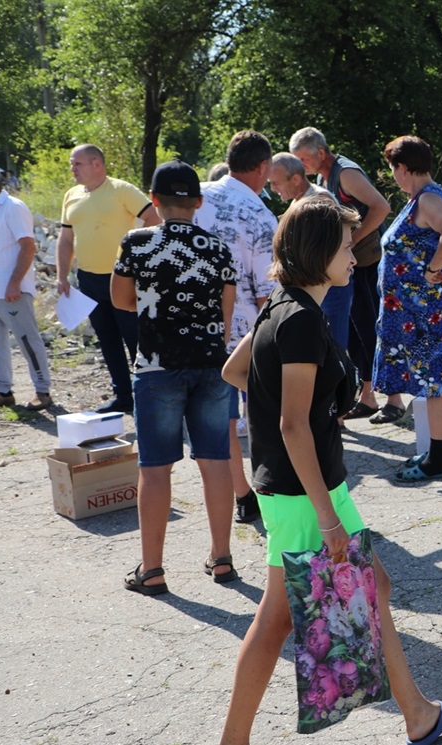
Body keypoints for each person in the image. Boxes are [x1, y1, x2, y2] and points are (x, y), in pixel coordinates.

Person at [207, 196, 442, 745]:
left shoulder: (286, 305)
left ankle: (419, 713)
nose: (355, 255)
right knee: (276, 621)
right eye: (347, 246)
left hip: (301, 488)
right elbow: (293, 424)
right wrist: (327, 519)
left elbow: (233, 371)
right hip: (307, 495)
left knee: (373, 584)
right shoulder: (299, 319)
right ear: (319, 252)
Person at [111, 162, 238, 595]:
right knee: (216, 460)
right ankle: (221, 559)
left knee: (156, 468)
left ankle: (153, 569)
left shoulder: (137, 242)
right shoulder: (219, 248)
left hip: (156, 365)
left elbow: (120, 299)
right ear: (198, 202)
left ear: (155, 199)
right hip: (210, 364)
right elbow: (226, 312)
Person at [195, 130, 278, 525]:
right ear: (263, 167)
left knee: (220, 420)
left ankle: (240, 494)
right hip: (245, 332)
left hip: (193, 325)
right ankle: (266, 490)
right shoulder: (260, 216)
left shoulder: (197, 196)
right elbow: (267, 290)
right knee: (262, 413)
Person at [374, 135, 442, 481]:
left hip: (427, 312)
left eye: (392, 169)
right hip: (419, 311)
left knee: (434, 381)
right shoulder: (422, 198)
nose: (392, 176)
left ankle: (439, 456)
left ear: (402, 167)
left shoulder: (427, 199)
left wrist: (431, 270)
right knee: (433, 381)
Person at [288, 127, 390, 416]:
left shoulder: (345, 173)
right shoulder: (323, 177)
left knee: (369, 327)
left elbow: (381, 207)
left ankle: (382, 395)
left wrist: (351, 242)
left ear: (321, 153)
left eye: (303, 159)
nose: (300, 166)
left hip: (367, 262)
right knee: (355, 330)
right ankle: (365, 393)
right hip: (350, 264)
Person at [57, 144, 162, 413]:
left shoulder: (121, 190)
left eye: (77, 164)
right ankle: (123, 396)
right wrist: (61, 276)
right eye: (72, 164)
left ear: (97, 164)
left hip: (123, 278)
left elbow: (153, 218)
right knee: (107, 338)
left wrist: (138, 257)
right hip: (89, 280)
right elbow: (66, 239)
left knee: (134, 338)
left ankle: (150, 395)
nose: (72, 169)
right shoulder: (71, 195)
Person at [0, 165, 53, 411]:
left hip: (11, 290)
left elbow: (28, 247)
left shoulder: (13, 208)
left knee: (27, 340)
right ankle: (4, 390)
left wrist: (15, 282)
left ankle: (42, 390)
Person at [268, 153, 333, 204]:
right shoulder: (300, 200)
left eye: (276, 183)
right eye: (270, 183)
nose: (272, 188)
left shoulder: (319, 201)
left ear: (296, 179)